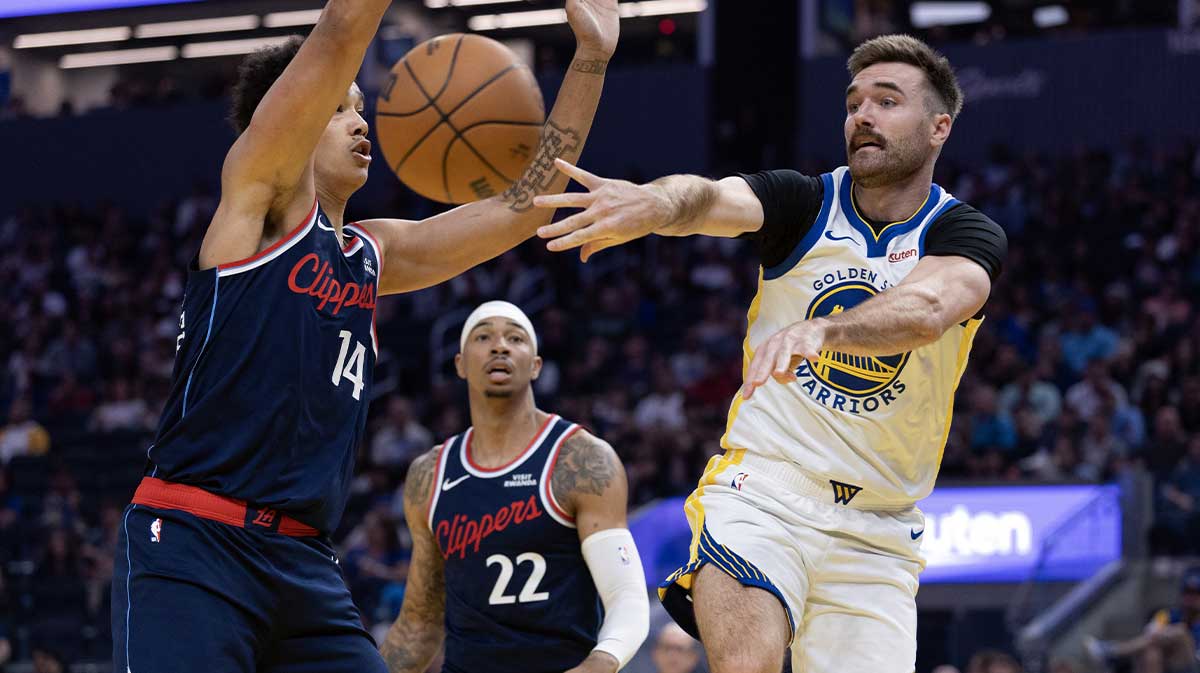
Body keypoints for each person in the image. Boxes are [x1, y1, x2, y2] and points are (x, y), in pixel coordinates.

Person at [110, 1, 620, 671]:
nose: (360, 121)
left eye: (360, 106)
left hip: (303, 565)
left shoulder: (373, 254)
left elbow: (527, 204)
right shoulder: (258, 204)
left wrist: (591, 55)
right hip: (195, 546)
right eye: (339, 107)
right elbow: (341, 28)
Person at [533, 34, 1006, 673]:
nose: (862, 115)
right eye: (854, 102)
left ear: (938, 127)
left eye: (887, 101)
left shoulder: (962, 231)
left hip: (880, 531)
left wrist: (826, 332)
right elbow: (708, 197)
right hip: (765, 494)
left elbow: (929, 309)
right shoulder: (803, 203)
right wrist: (654, 203)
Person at [380, 301, 649, 673]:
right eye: (483, 336)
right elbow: (419, 626)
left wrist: (599, 664)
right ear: (459, 363)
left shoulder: (579, 460)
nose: (499, 346)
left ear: (536, 365)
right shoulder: (430, 475)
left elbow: (626, 597)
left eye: (515, 338)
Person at [1084, 566, 1200, 673]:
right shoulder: (1167, 615)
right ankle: (1112, 654)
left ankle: (1114, 652)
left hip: (1193, 665)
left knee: (1180, 632)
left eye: (1196, 594)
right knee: (1151, 652)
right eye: (1188, 593)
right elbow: (1150, 635)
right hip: (1170, 664)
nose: (1191, 599)